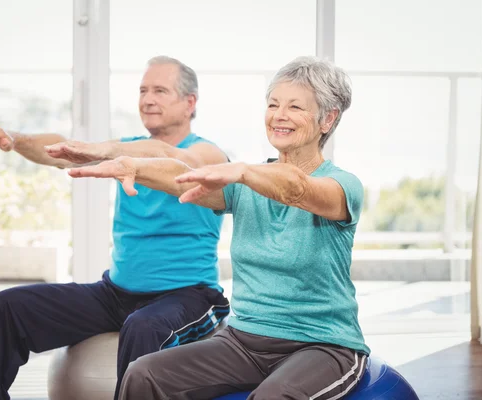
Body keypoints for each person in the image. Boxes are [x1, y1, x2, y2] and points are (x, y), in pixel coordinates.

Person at [64, 56, 370, 400]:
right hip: (245, 340)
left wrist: (242, 171)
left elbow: (297, 188)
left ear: (327, 118)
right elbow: (182, 178)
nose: (279, 115)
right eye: (273, 105)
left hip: (323, 345)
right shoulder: (245, 182)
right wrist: (134, 165)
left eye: (295, 107)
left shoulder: (342, 186)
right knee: (143, 374)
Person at [0, 56, 231, 400]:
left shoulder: (207, 153)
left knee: (143, 326)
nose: (147, 99)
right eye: (143, 90)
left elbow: (179, 159)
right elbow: (60, 153)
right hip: (115, 294)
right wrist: (14, 139)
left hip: (188, 295)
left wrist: (109, 151)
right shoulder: (125, 147)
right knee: (8, 306)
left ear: (190, 103)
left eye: (160, 91)